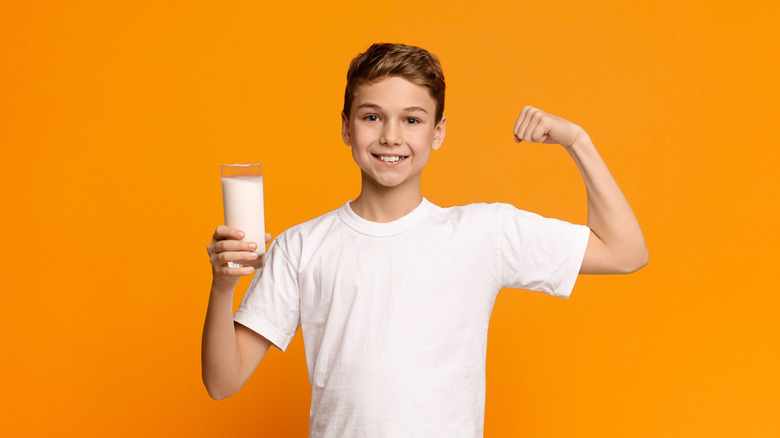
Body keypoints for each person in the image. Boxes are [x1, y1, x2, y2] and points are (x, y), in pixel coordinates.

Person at [201, 43, 648, 437]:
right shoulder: (301, 246)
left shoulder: (482, 234)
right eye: (372, 116)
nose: (391, 136)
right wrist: (224, 286)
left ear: (437, 132)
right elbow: (222, 382)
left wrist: (578, 141)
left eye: (411, 119)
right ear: (346, 128)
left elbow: (625, 252)